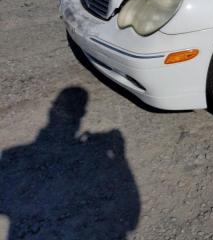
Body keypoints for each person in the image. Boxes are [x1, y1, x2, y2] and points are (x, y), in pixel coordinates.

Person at [0, 87, 140, 239]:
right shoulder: (14, 155)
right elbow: (131, 217)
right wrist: (119, 156)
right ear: (82, 114)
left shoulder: (13, 154)